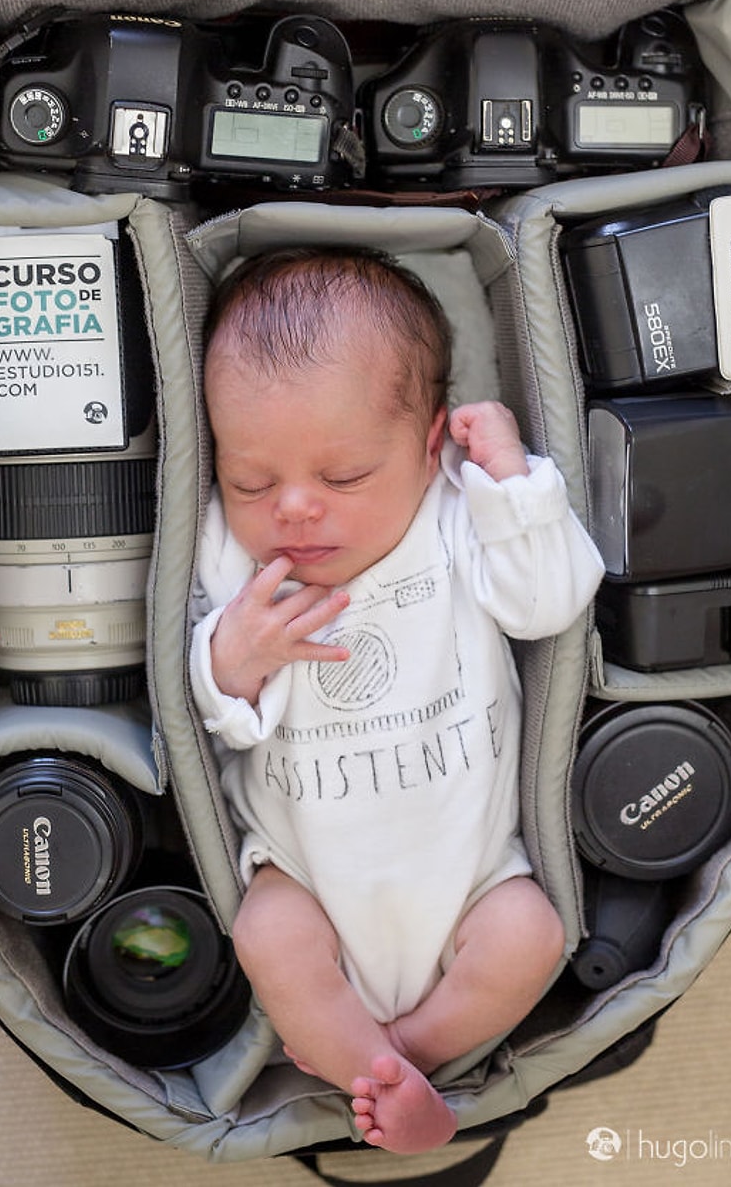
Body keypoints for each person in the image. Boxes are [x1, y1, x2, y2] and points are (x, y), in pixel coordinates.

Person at [189, 246, 604, 1155]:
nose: (292, 510)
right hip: (308, 877)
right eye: (251, 481)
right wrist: (233, 656)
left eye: (342, 479)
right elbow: (210, 713)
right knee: (270, 931)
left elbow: (552, 600)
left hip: (469, 883)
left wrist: (512, 483)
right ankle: (383, 1075)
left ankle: (396, 1062)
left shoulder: (458, 515)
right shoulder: (234, 559)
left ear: (425, 450)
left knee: (532, 936)